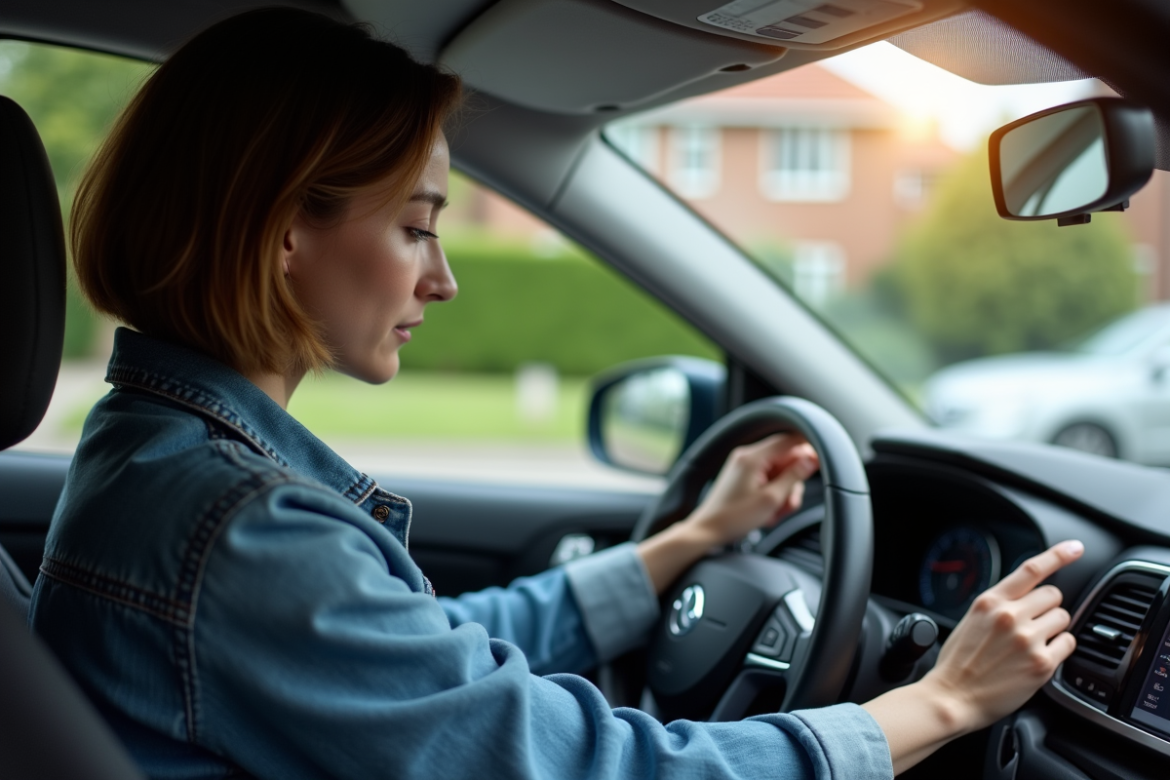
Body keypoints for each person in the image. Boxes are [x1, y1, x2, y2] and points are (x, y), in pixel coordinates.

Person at [30, 8, 1083, 780]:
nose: (441, 278)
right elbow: (589, 770)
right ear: (283, 231)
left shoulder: (152, 456)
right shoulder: (240, 529)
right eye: (416, 224)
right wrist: (939, 702)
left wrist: (679, 547)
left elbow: (418, 659)